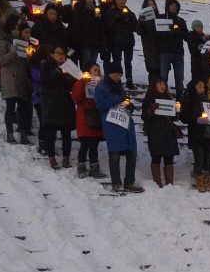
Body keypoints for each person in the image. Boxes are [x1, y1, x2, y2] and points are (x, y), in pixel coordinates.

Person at [94, 63, 142, 193]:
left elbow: (124, 103)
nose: (118, 77)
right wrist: (117, 99)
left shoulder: (121, 89)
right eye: (116, 74)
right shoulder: (101, 88)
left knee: (132, 155)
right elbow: (100, 104)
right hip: (112, 125)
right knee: (114, 155)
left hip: (126, 124)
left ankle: (129, 182)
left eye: (120, 75)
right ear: (109, 74)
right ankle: (116, 183)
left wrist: (130, 106)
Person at [0, 16, 33, 144]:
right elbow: (0, 60)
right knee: (10, 107)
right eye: (16, 29)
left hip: (21, 78)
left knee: (22, 108)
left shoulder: (23, 43)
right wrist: (12, 51)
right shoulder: (4, 41)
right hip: (9, 78)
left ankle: (23, 133)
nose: (17, 31)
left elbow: (26, 63)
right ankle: (9, 132)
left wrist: (29, 57)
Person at [140, 76, 179, 187]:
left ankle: (169, 184)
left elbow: (173, 118)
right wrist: (151, 110)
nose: (163, 86)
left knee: (169, 158)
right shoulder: (149, 100)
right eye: (160, 84)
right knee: (156, 156)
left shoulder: (168, 99)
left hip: (168, 132)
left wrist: (176, 111)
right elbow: (144, 117)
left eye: (164, 84)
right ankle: (157, 183)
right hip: (155, 132)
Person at [71, 62, 106, 179]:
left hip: (96, 115)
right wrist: (82, 83)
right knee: (85, 143)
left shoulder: (100, 84)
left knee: (94, 143)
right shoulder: (80, 82)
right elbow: (76, 97)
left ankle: (94, 167)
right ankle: (81, 167)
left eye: (98, 71)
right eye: (95, 70)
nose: (97, 73)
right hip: (84, 116)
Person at [184, 78, 210, 191]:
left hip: (209, 134)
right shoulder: (189, 100)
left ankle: (207, 181)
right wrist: (196, 120)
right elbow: (184, 117)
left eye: (203, 87)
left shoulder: (208, 101)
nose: (202, 89)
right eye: (199, 87)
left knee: (208, 158)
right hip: (196, 133)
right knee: (199, 157)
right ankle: (198, 179)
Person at [103, 0, 138, 89]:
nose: (122, 1)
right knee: (117, 61)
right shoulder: (111, 12)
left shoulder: (130, 13)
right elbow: (109, 25)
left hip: (128, 41)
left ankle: (129, 79)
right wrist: (118, 19)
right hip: (116, 41)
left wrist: (128, 20)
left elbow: (135, 27)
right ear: (116, 0)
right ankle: (117, 79)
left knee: (128, 61)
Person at [156, 0, 187, 96]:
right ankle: (162, 96)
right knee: (163, 76)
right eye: (172, 6)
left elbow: (186, 36)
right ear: (167, 6)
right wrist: (170, 32)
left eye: (175, 6)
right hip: (165, 51)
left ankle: (180, 97)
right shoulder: (161, 18)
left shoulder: (180, 21)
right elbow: (157, 34)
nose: (174, 8)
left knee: (179, 77)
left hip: (178, 52)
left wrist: (180, 31)